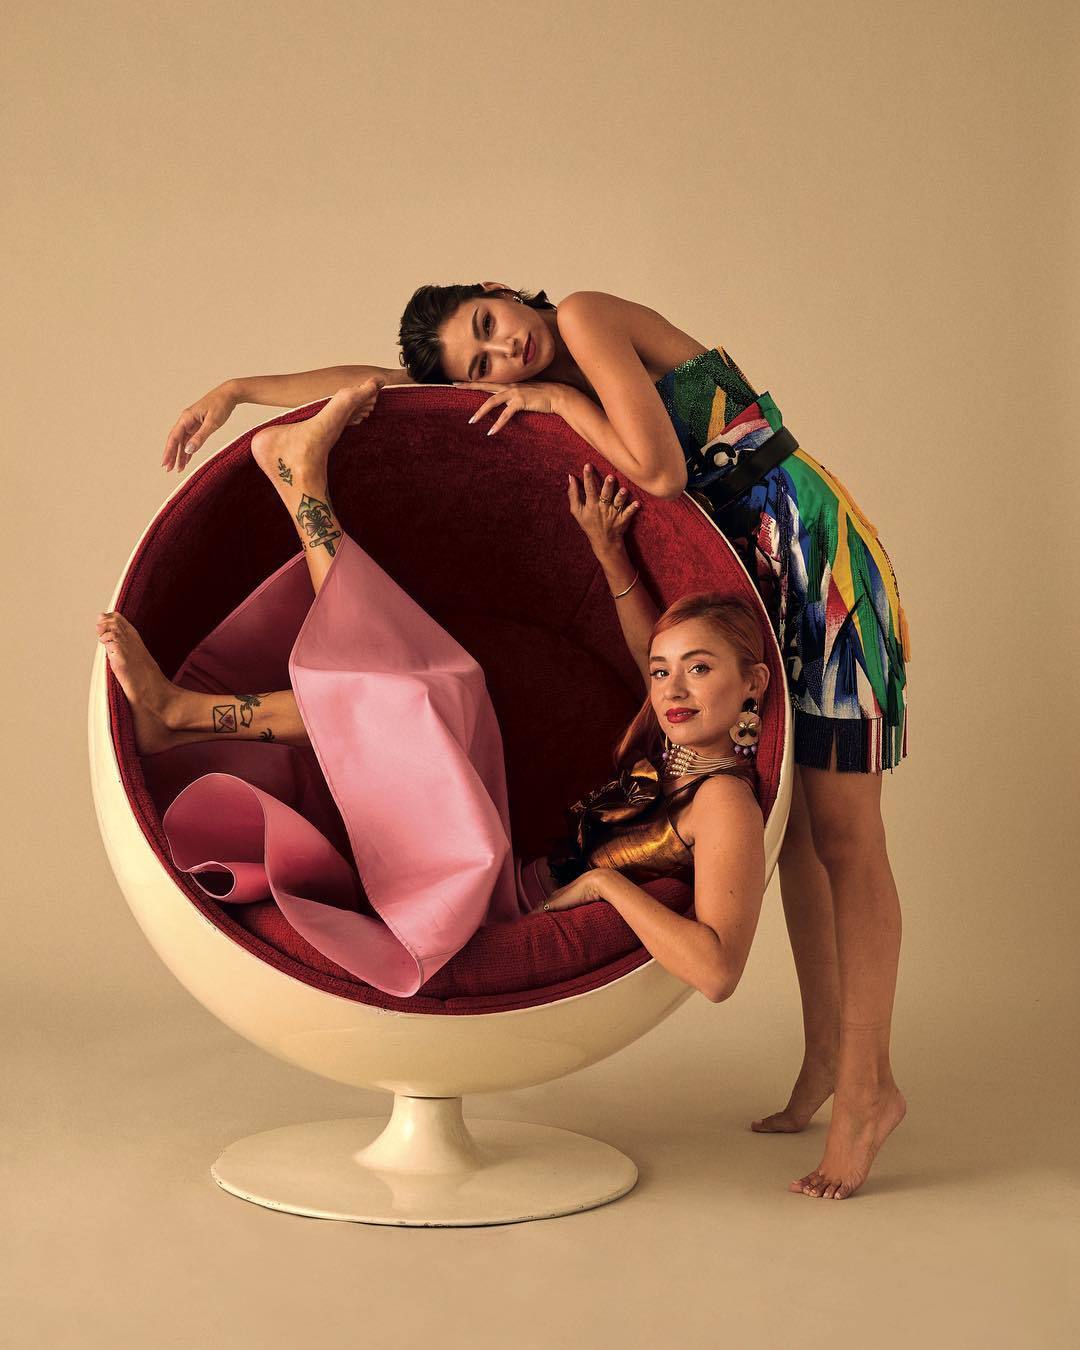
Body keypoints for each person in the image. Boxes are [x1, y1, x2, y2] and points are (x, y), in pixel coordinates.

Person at [155, 281, 911, 1200]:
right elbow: (385, 387)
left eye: (490, 325)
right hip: (756, 563)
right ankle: (828, 1058)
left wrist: (555, 401)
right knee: (799, 838)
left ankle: (870, 1091)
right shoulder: (522, 365)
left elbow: (661, 473)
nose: (501, 354)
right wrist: (240, 389)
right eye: (478, 363)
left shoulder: (583, 317)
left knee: (846, 840)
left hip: (812, 552)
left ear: (502, 290)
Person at [102, 379, 771, 1003]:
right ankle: (294, 505)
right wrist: (608, 552)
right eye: (664, 672)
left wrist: (604, 887)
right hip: (493, 866)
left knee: (399, 700)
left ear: (753, 683)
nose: (672, 688)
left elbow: (718, 971)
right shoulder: (677, 734)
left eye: (700, 669)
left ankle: (194, 691)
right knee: (443, 685)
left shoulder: (724, 803)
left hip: (485, 907)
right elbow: (647, 646)